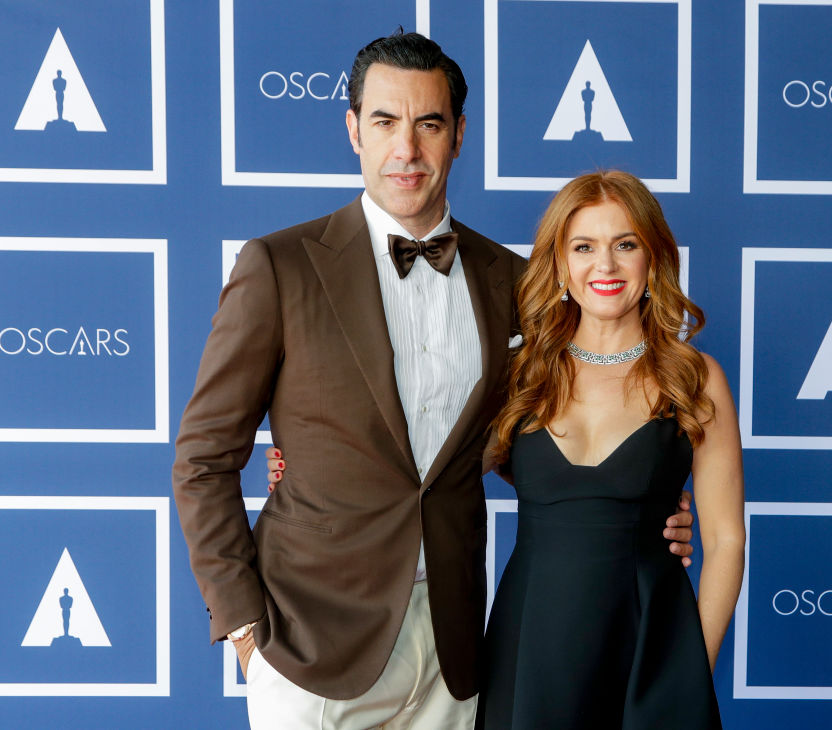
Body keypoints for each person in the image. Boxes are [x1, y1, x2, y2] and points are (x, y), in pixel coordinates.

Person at [173, 31, 693, 730]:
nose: (407, 149)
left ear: (459, 135)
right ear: (354, 130)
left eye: (429, 124)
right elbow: (203, 458)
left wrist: (632, 507)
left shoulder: (512, 282)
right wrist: (242, 628)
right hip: (308, 643)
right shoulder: (281, 267)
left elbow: (534, 437)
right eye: (385, 122)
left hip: (454, 647)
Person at [474, 171, 745, 729]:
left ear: (653, 259)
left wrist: (692, 667)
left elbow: (724, 539)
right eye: (584, 246)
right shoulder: (518, 375)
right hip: (531, 646)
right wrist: (307, 463)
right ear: (559, 263)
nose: (606, 265)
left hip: (652, 648)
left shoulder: (694, 379)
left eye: (626, 245)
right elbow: (428, 479)